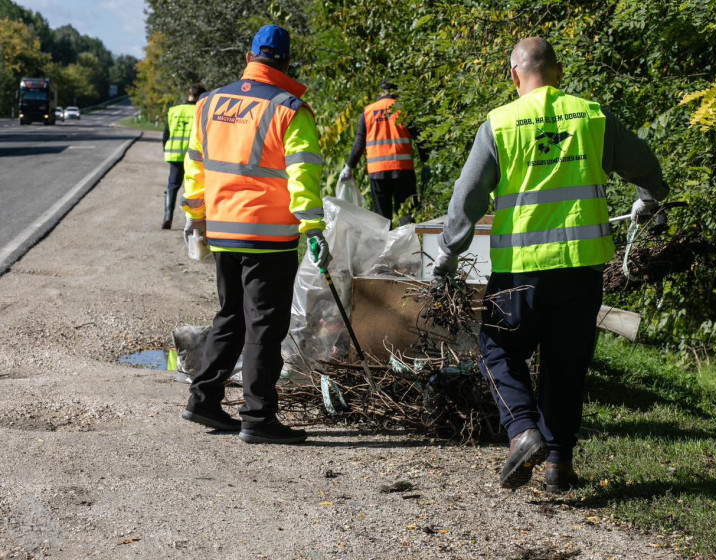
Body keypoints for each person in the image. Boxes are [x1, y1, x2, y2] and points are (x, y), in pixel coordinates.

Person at [433, 37, 669, 491]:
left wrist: (448, 250)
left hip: (522, 271)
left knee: (498, 348)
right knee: (566, 364)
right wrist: (650, 198)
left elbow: (469, 195)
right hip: (582, 270)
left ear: (514, 76)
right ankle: (559, 464)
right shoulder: (591, 117)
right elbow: (641, 161)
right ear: (558, 73)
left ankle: (522, 430)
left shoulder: (500, 124)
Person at [179, 25, 331, 444]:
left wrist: (196, 215)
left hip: (224, 230)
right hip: (268, 234)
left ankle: (203, 399)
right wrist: (313, 227)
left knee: (230, 316)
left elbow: (195, 165)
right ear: (284, 62)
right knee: (264, 325)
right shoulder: (290, 109)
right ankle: (258, 418)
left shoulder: (210, 102)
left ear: (249, 56)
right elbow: (303, 173)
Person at [339, 79, 429, 225]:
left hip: (378, 171)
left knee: (381, 218)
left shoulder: (368, 111)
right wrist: (426, 163)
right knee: (406, 214)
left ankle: (384, 247)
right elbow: (420, 139)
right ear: (396, 92)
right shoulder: (404, 109)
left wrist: (349, 167)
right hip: (403, 170)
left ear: (381, 91)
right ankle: (408, 247)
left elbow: (359, 142)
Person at [161, 83, 205, 229]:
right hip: (195, 157)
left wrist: (166, 150)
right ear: (200, 96)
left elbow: (166, 134)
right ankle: (194, 222)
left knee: (172, 186)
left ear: (189, 93)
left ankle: (168, 217)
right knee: (195, 188)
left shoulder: (174, 110)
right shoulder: (201, 111)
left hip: (176, 155)